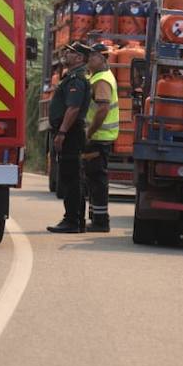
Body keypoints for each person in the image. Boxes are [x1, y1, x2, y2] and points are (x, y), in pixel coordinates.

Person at [47, 43, 92, 234]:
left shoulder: (76, 79)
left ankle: (72, 220)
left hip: (71, 133)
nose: (66, 54)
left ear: (80, 58)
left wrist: (62, 133)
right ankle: (76, 220)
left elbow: (73, 108)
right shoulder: (71, 77)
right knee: (72, 176)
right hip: (70, 132)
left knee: (70, 177)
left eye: (71, 52)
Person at [81, 41, 120, 233]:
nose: (89, 59)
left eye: (93, 56)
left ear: (103, 58)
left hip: (98, 137)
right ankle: (97, 218)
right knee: (94, 179)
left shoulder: (102, 80)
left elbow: (103, 109)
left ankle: (101, 221)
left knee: (97, 180)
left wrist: (89, 133)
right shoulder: (97, 77)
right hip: (99, 136)